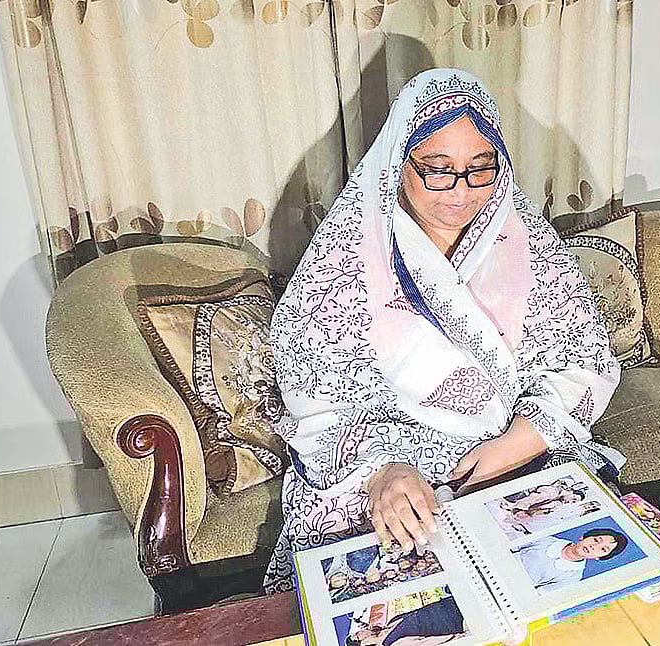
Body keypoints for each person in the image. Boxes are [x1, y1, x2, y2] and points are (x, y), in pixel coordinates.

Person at [264, 68, 623, 594]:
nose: (461, 192)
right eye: (437, 169)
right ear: (396, 165)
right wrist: (381, 473)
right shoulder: (346, 259)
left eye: (482, 168)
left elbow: (585, 360)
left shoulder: (524, 241)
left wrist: (525, 437)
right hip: (388, 473)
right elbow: (313, 396)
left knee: (578, 589)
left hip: (516, 448)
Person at [510, 528, 628, 592]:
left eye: (603, 549)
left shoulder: (573, 577)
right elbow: (510, 546)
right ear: (583, 537)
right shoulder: (546, 540)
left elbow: (539, 593)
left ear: (599, 558)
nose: (594, 546)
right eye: (596, 540)